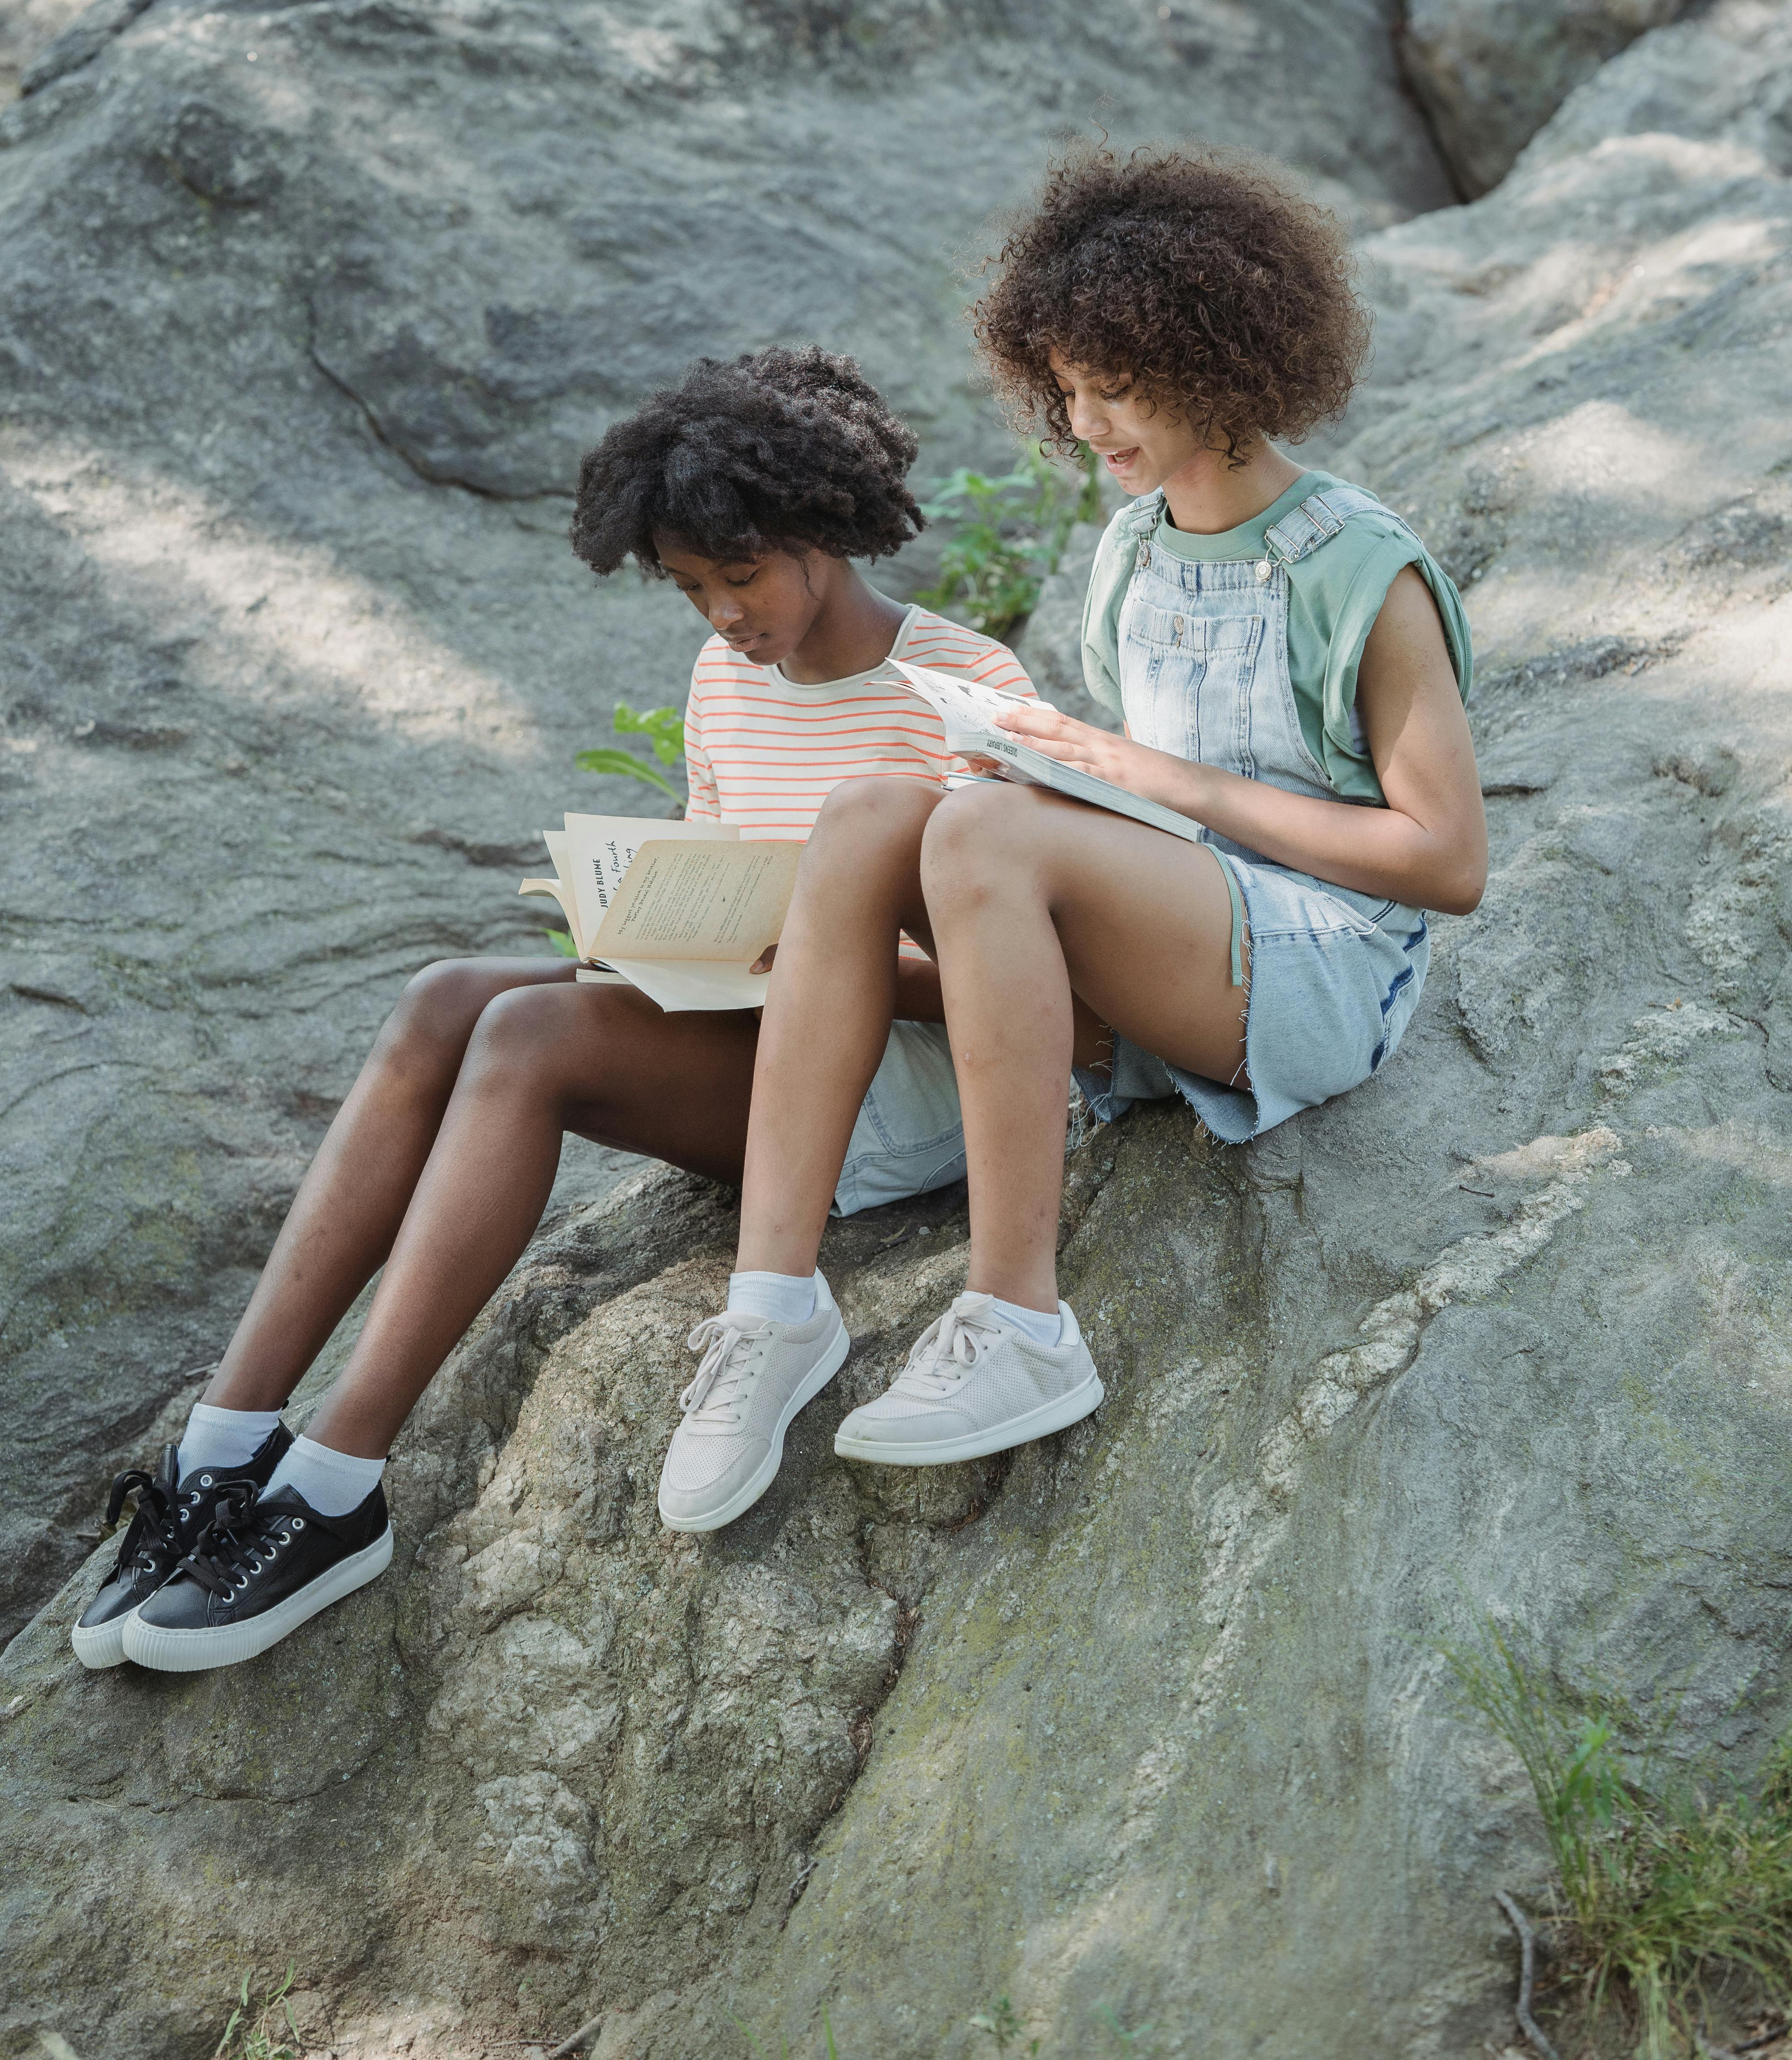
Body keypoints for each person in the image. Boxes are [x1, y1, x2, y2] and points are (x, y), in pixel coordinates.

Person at [72, 347, 1037, 1672]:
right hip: (764, 1034)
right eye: (691, 590)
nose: (721, 618)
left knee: (526, 1037)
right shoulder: (725, 683)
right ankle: (222, 1448)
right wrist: (663, 937)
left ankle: (338, 1482)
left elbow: (1023, 978)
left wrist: (829, 950)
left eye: (738, 576)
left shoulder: (961, 689)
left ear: (820, 526)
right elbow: (729, 877)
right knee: (444, 998)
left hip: (898, 1086)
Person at [657, 144, 1486, 1521]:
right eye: (1066, 388)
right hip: (1184, 943)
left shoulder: (1360, 568)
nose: (1085, 420)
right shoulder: (1132, 550)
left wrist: (1135, 774)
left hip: (1323, 968)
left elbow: (1444, 863)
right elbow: (1132, 815)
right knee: (874, 818)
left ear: (1220, 358)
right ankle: (772, 1307)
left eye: (1118, 384)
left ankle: (1021, 1319)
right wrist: (1070, 776)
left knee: (984, 837)